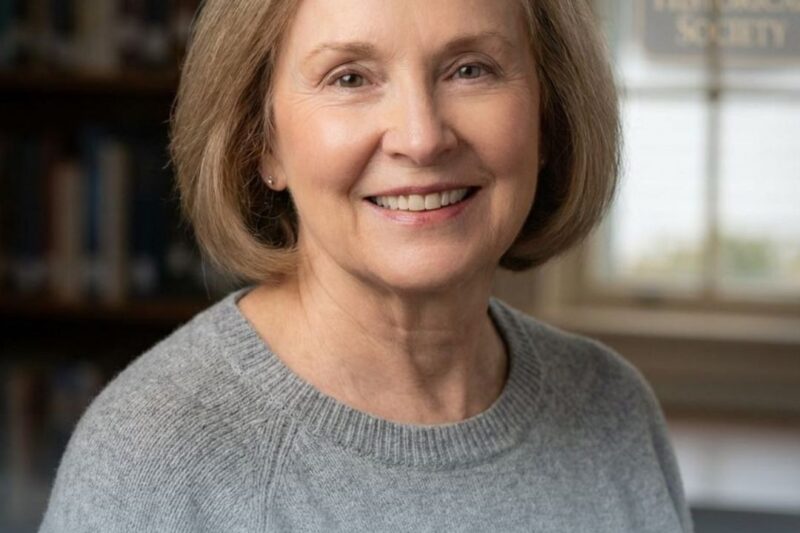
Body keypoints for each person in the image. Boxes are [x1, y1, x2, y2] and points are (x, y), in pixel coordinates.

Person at [40, 0, 693, 531]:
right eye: (350, 77)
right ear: (260, 140)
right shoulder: (151, 464)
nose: (421, 136)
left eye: (470, 69)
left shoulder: (614, 409)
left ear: (547, 116)